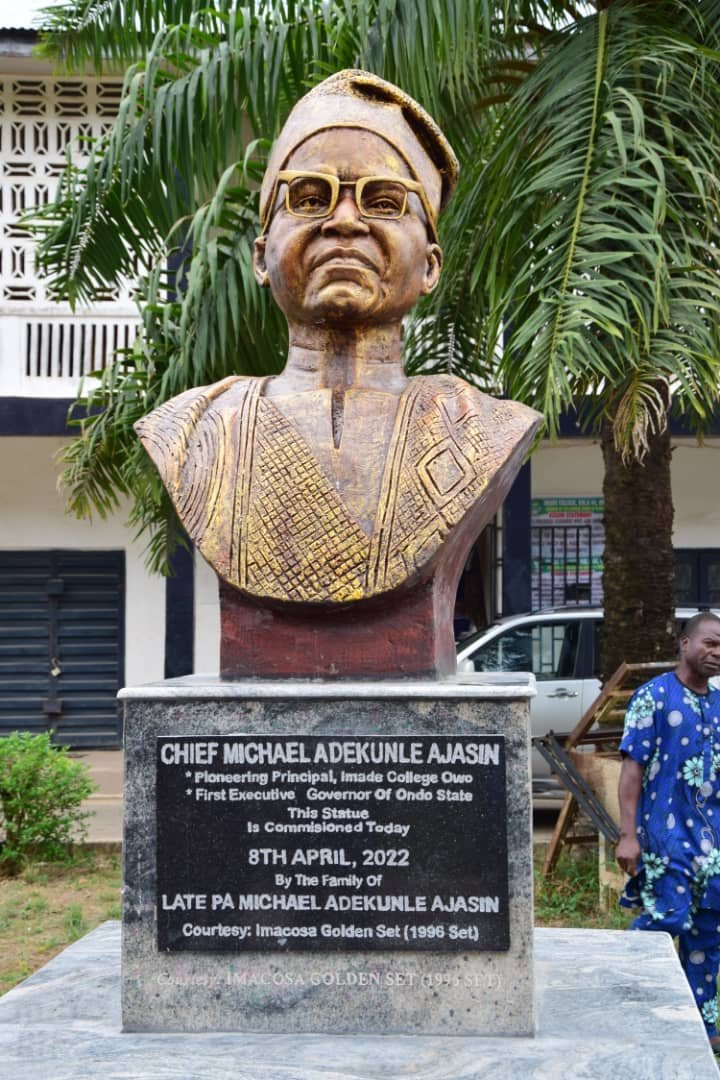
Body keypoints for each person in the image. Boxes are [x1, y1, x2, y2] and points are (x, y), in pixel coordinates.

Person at [616, 611, 720, 1049]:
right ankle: (618, 992)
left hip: (713, 844)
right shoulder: (652, 698)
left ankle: (701, 1028)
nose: (715, 653)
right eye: (709, 643)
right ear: (684, 643)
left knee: (708, 933)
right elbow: (631, 771)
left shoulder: (718, 704)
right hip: (664, 838)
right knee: (667, 921)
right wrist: (628, 834)